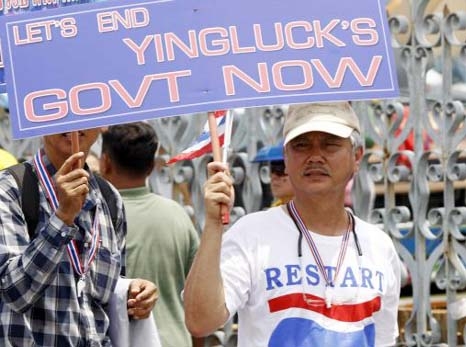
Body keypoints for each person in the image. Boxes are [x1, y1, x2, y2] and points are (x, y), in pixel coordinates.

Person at [184, 102, 401, 346]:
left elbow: (384, 340)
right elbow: (200, 322)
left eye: (330, 144)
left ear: (356, 157)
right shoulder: (251, 234)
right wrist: (213, 224)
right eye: (301, 145)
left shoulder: (378, 245)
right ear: (286, 158)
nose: (315, 156)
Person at [0, 129, 158, 347]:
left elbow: (100, 293)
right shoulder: (10, 189)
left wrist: (130, 291)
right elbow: (14, 291)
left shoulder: (109, 198)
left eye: (84, 102)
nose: (72, 123)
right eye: (58, 105)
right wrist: (63, 217)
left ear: (102, 125)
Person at [100, 122, 201, 347]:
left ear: (105, 162)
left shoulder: (98, 217)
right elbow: (198, 295)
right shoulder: (177, 214)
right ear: (151, 167)